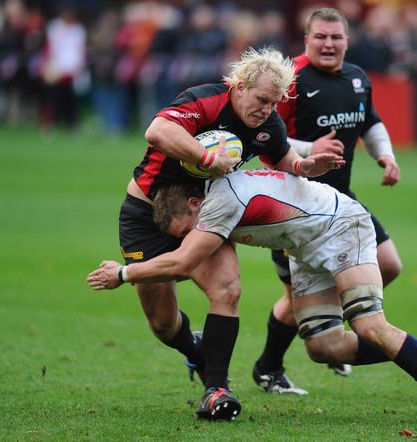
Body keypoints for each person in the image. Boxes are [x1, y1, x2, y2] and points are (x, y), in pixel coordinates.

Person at [87, 169, 417, 425]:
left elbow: (182, 263)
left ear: (195, 204)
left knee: (369, 325)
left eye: (184, 228)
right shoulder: (215, 195)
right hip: (307, 248)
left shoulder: (220, 202)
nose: (188, 236)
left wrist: (123, 273)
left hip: (342, 227)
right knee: (324, 347)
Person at [113, 47, 340, 421]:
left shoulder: (267, 124)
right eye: (262, 100)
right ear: (239, 86)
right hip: (147, 214)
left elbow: (282, 160)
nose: (267, 110)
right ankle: (197, 349)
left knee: (227, 289)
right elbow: (157, 131)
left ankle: (216, 389)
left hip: (206, 214)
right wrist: (207, 159)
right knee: (163, 324)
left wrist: (304, 165)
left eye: (274, 103)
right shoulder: (205, 100)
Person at [252, 7, 412, 394]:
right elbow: (262, 138)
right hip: (296, 206)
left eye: (336, 37)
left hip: (344, 201)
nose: (328, 43)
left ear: (347, 40)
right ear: (306, 40)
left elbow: (370, 120)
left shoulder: (357, 78)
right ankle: (270, 367)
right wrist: (310, 147)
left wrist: (385, 155)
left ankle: (329, 332)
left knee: (388, 264)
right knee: (295, 300)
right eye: (320, 37)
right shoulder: (289, 82)